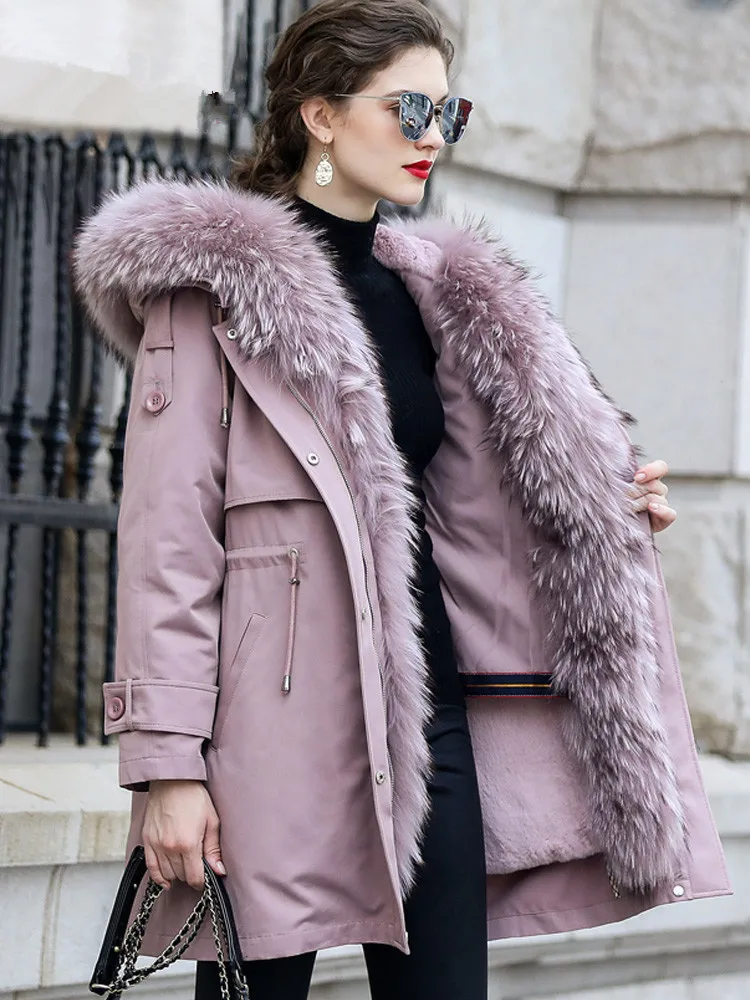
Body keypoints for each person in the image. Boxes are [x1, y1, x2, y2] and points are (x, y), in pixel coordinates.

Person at [73, 1, 729, 998]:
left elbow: (475, 511)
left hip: (434, 732)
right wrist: (168, 767)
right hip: (267, 740)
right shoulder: (208, 300)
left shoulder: (436, 296)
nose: (434, 135)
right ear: (320, 115)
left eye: (447, 113)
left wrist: (607, 506)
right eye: (410, 108)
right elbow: (169, 544)